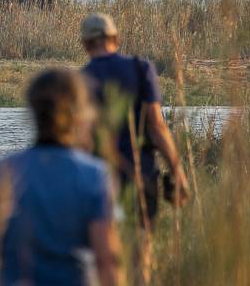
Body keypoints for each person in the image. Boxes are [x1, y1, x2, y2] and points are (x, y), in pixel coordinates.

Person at [0, 68, 123, 286]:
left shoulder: (4, 169)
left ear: (33, 110)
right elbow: (106, 258)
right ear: (80, 114)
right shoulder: (95, 175)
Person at [79, 13, 190, 228]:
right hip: (142, 172)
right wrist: (178, 172)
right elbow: (157, 126)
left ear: (85, 44)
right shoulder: (141, 69)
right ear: (115, 38)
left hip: (99, 179)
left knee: (107, 246)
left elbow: (81, 139)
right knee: (142, 244)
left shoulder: (80, 80)